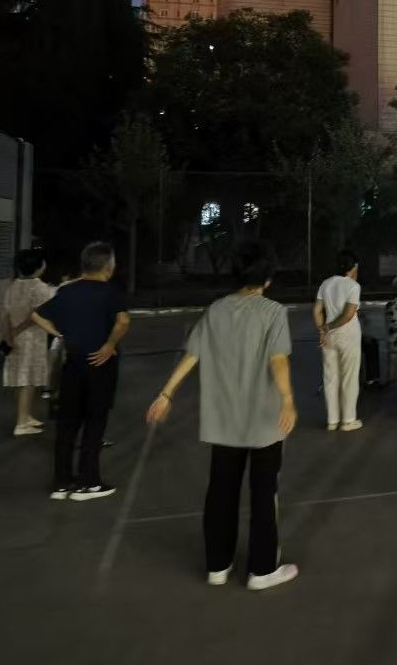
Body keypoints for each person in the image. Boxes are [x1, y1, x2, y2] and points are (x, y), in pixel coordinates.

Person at [146, 242, 299, 591]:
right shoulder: (273, 312)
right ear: (268, 278)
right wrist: (288, 399)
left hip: (223, 419)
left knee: (221, 491)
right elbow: (278, 359)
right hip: (263, 421)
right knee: (264, 493)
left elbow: (192, 354)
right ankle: (262, 569)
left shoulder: (216, 310)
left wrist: (166, 393)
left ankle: (218, 564)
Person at [31, 241, 130, 500]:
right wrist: (109, 345)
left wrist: (60, 335)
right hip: (100, 363)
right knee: (94, 421)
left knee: (67, 423)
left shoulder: (67, 291)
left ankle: (62, 482)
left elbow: (37, 315)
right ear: (107, 266)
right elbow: (123, 321)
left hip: (72, 362)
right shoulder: (111, 291)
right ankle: (89, 482)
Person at [2, 248, 55, 436]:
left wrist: (9, 335)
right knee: (28, 379)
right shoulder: (40, 288)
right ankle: (22, 423)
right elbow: (38, 315)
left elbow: (6, 314)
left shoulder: (13, 286)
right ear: (39, 266)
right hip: (32, 338)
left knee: (22, 379)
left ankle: (26, 415)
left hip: (15, 337)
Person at [314, 250, 363, 433]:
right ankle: (348, 420)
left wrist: (322, 329)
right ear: (354, 266)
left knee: (330, 378)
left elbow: (317, 310)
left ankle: (332, 420)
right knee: (349, 378)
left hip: (329, 337)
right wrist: (329, 327)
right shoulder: (353, 286)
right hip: (348, 335)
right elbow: (348, 315)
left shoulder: (326, 284)